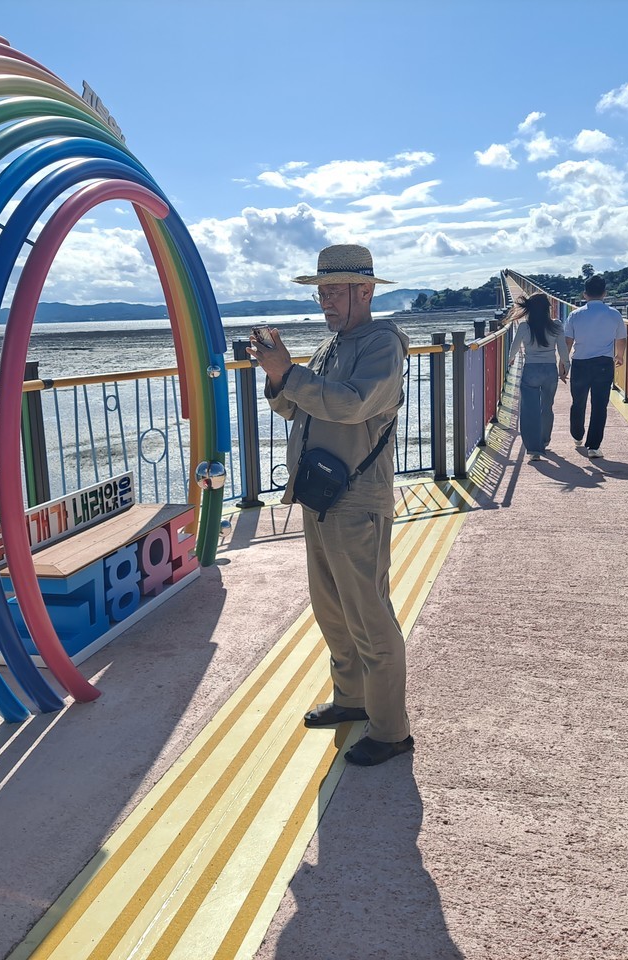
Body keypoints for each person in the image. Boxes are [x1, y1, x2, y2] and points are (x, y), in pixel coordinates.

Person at [247, 244, 413, 767]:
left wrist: (290, 375)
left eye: (336, 290)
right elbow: (289, 407)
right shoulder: (330, 345)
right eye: (321, 291)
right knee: (332, 609)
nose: (326, 300)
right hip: (321, 496)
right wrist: (277, 374)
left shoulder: (381, 345)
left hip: (357, 500)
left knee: (369, 614)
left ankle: (391, 729)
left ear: (366, 291)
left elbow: (351, 404)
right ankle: (352, 699)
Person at [564, 274, 627, 458]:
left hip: (580, 363)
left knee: (578, 402)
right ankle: (593, 446)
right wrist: (619, 356)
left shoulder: (575, 315)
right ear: (605, 293)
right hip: (603, 363)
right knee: (600, 405)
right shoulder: (614, 314)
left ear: (585, 295)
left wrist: (563, 362)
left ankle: (577, 436)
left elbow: (568, 341)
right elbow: (621, 339)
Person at [506, 292, 568, 462]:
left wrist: (510, 361)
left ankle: (534, 449)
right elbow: (562, 350)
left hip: (531, 370)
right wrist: (565, 367)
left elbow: (514, 348)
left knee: (529, 411)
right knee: (546, 407)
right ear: (548, 308)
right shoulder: (556, 325)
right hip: (550, 371)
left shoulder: (524, 327)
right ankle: (545, 440)